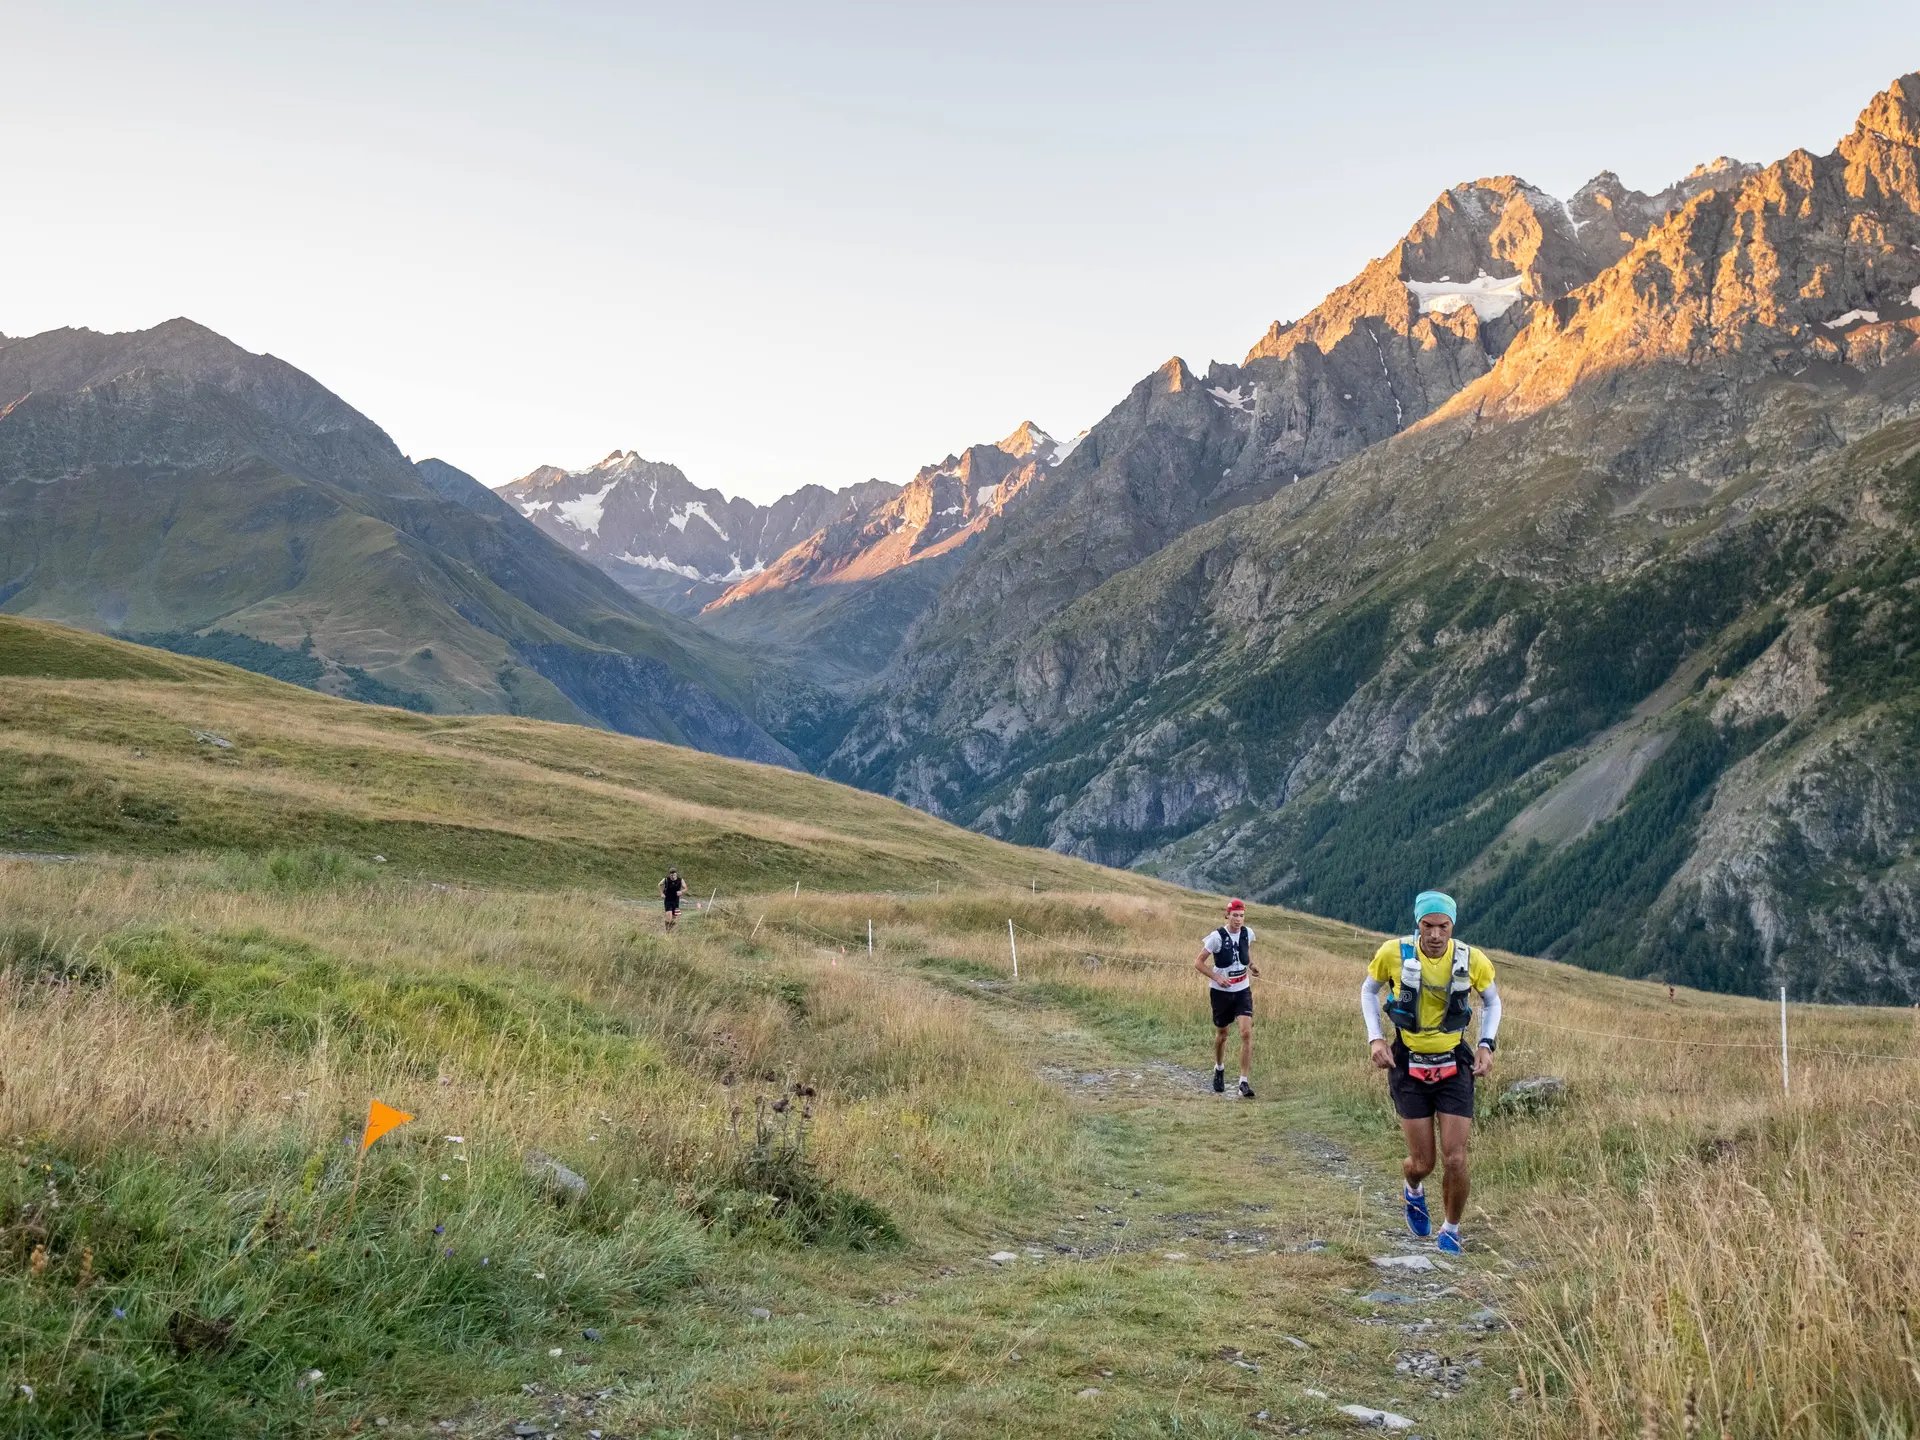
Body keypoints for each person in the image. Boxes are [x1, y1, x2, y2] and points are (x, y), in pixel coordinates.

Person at [1360, 890, 1501, 1255]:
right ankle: (1413, 1188)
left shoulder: (1472, 960)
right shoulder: (1393, 953)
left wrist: (1486, 1043)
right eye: (1428, 926)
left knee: (1455, 1157)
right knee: (1423, 1162)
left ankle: (1451, 1228)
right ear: (1417, 925)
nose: (1436, 935)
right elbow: (1368, 990)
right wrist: (1376, 1039)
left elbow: (1492, 1000)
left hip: (1455, 1060)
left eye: (1443, 926)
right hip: (1408, 1060)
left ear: (1452, 925)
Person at [1194, 898, 1260, 1098]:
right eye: (1235, 916)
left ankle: (1243, 1082)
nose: (1238, 920)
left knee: (1246, 1033)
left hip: (1242, 990)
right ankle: (1219, 1068)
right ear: (1227, 915)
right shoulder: (1216, 937)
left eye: (1241, 916)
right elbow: (1198, 962)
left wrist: (1252, 966)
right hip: (1221, 992)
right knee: (1222, 1034)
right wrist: (1216, 977)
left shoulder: (1247, 933)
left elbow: (1244, 953)